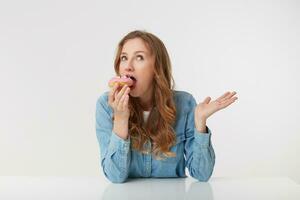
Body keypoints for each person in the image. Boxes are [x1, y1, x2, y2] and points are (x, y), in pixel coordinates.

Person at [95, 30, 238, 183]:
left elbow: (202, 174)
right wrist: (121, 119)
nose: (128, 66)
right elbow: (114, 176)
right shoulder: (106, 105)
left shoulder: (184, 103)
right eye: (124, 58)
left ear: (156, 67)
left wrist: (200, 124)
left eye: (139, 57)